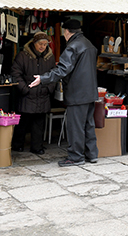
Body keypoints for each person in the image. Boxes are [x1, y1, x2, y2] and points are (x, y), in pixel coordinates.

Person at [29, 19, 99, 167]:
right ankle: (91, 155)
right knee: (88, 125)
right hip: (90, 92)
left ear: (67, 31)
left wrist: (43, 78)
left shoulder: (72, 47)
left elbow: (62, 70)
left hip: (77, 93)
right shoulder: (88, 44)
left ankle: (76, 157)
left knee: (75, 127)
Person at [11, 32, 57, 155]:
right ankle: (17, 145)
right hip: (27, 94)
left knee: (39, 123)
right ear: (34, 43)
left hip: (42, 94)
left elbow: (54, 75)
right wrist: (25, 89)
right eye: (40, 44)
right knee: (22, 122)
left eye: (45, 44)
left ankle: (37, 147)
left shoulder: (49, 57)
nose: (43, 47)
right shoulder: (23, 56)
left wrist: (48, 89)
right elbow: (15, 74)